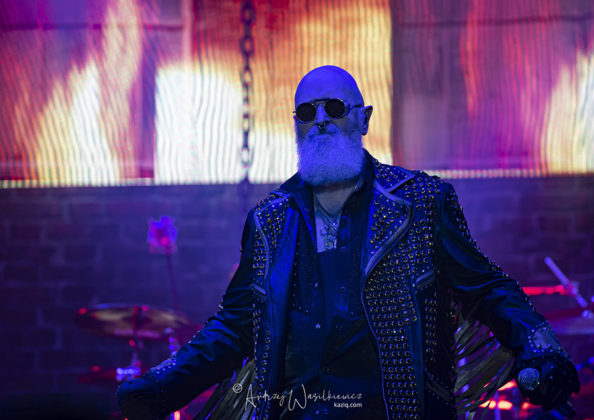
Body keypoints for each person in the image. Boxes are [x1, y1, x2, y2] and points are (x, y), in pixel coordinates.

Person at [117, 66, 579, 420]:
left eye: (335, 108)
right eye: (307, 112)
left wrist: (541, 348)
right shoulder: (268, 221)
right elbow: (234, 326)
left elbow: (488, 288)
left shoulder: (422, 202)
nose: (320, 120)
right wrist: (162, 386)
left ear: (363, 119)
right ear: (296, 126)